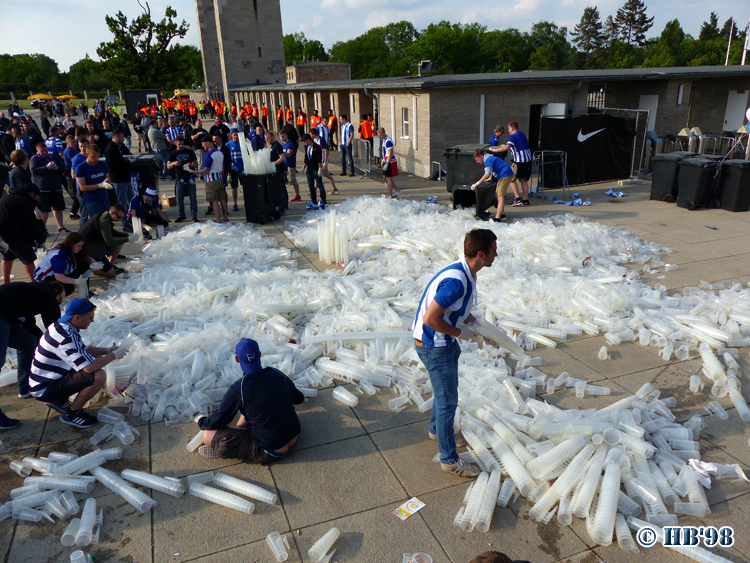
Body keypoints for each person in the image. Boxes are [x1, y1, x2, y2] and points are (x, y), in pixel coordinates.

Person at [412, 228, 497, 477]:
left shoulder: (467, 273)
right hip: (433, 345)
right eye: (494, 250)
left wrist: (477, 327)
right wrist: (460, 334)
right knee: (448, 400)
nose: (497, 254)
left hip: (443, 342)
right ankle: (448, 459)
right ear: (481, 254)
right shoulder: (456, 281)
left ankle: (437, 430)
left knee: (445, 393)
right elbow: (430, 319)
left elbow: (458, 308)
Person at [194, 338, 303, 463]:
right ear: (260, 355)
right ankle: (238, 432)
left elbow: (219, 419)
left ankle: (232, 447)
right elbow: (299, 399)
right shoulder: (277, 373)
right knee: (253, 405)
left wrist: (201, 421)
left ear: (237, 360)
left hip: (270, 451)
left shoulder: (239, 388)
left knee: (207, 435)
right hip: (294, 437)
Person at [30, 298, 129, 428]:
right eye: (89, 318)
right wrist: (114, 355)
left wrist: (108, 350)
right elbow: (89, 368)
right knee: (99, 376)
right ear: (76, 317)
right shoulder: (65, 337)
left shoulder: (63, 326)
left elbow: (83, 349)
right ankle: (73, 414)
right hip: (44, 388)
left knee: (96, 358)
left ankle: (59, 399)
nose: (92, 321)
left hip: (47, 379)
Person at [0, 280, 64, 400]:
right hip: (2, 312)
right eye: (59, 299)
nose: (58, 303)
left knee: (28, 343)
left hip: (8, 314)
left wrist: (43, 342)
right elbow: (54, 327)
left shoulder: (32, 295)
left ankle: (25, 388)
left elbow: (30, 327)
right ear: (56, 291)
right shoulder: (47, 294)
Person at [0, 183, 46, 284]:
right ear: (32, 193)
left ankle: (6, 282)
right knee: (28, 258)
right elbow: (30, 223)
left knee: (8, 256)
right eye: (36, 197)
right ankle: (35, 282)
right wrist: (39, 240)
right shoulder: (25, 201)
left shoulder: (6, 197)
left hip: (2, 234)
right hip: (15, 234)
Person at [34, 232, 101, 295]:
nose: (80, 248)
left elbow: (87, 258)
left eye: (82, 246)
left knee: (84, 266)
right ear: (71, 244)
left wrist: (94, 263)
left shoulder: (72, 250)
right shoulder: (58, 256)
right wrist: (76, 281)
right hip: (46, 278)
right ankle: (55, 298)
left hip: (62, 272)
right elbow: (58, 276)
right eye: (78, 246)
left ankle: (86, 292)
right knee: (68, 288)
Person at [79, 204, 136, 278]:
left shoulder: (104, 216)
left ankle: (110, 264)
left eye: (121, 218)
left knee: (119, 240)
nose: (119, 219)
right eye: (118, 217)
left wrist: (127, 235)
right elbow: (110, 243)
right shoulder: (104, 221)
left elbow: (113, 232)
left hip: (94, 246)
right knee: (111, 273)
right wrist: (128, 239)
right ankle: (85, 268)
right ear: (112, 213)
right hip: (90, 250)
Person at [30, 142, 68, 233]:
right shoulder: (34, 159)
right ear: (37, 151)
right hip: (43, 190)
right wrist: (47, 167)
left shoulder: (53, 158)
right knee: (44, 211)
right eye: (42, 151)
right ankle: (43, 230)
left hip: (56, 188)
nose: (45, 152)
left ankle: (60, 227)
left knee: (58, 208)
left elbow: (64, 168)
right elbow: (34, 171)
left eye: (46, 150)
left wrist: (57, 168)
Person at [492, 121, 532, 207]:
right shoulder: (522, 134)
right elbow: (517, 146)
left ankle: (518, 199)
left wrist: (495, 150)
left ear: (512, 128)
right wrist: (505, 145)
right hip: (527, 160)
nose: (508, 131)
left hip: (518, 161)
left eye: (509, 129)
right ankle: (526, 200)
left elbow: (506, 148)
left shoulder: (513, 136)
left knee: (511, 179)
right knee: (523, 180)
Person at [190, 135, 228, 222]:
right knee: (222, 198)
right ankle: (225, 217)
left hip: (211, 180)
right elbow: (222, 166)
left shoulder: (209, 155)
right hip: (219, 178)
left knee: (214, 200)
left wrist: (195, 172)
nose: (202, 146)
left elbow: (206, 170)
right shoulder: (220, 153)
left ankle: (218, 220)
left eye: (203, 144)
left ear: (207, 143)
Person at [471, 149, 514, 222]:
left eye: (478, 160)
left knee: (501, 196)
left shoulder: (488, 160)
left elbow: (486, 174)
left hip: (505, 174)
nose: (477, 162)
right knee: (497, 194)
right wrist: (491, 177)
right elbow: (492, 169)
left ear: (481, 156)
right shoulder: (489, 158)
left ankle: (498, 217)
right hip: (504, 174)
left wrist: (477, 183)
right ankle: (502, 214)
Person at [105, 127, 132, 229]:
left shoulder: (117, 148)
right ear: (116, 137)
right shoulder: (111, 149)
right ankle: (125, 223)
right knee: (122, 203)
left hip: (125, 179)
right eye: (121, 137)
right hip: (119, 180)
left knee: (132, 201)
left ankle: (132, 220)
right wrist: (129, 162)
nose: (123, 139)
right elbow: (115, 166)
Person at [75, 144, 113, 219]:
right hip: (92, 200)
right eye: (93, 157)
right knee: (97, 221)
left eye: (98, 156)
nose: (96, 159)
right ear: (87, 155)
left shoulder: (102, 164)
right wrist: (100, 185)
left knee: (107, 220)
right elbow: (82, 187)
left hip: (104, 198)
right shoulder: (80, 168)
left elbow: (108, 178)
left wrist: (107, 182)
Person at [167, 136, 199, 223]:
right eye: (179, 144)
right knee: (179, 198)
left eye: (182, 144)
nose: (180, 146)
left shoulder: (189, 152)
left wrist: (191, 165)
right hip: (179, 177)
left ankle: (194, 216)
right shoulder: (172, 153)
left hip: (190, 177)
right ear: (176, 143)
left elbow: (196, 163)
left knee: (193, 198)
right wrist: (174, 163)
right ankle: (181, 215)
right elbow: (168, 166)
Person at [302, 133, 326, 210]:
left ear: (308, 140)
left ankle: (323, 199)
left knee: (319, 184)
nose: (304, 142)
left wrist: (320, 168)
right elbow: (306, 157)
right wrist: (304, 167)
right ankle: (313, 199)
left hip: (316, 168)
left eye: (305, 141)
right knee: (311, 186)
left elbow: (319, 158)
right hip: (309, 168)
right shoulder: (306, 147)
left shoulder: (317, 147)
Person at [311, 128, 338, 195]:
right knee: (321, 175)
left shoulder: (321, 140)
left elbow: (325, 151)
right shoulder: (314, 140)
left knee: (325, 175)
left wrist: (325, 161)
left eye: (311, 134)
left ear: (313, 134)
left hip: (322, 160)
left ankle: (334, 188)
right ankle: (314, 190)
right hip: (318, 160)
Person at [377, 127, 401, 198]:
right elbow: (385, 153)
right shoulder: (384, 140)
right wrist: (383, 160)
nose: (379, 137)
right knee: (385, 177)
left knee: (389, 178)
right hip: (386, 160)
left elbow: (390, 154)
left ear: (384, 133)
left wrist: (387, 164)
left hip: (390, 161)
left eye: (380, 135)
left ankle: (390, 195)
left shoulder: (388, 141)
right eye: (379, 135)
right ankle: (397, 189)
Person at [62, 135, 81, 220]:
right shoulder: (68, 151)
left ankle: (74, 212)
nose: (74, 143)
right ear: (67, 143)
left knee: (77, 196)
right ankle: (73, 213)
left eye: (75, 142)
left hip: (72, 174)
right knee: (76, 196)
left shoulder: (73, 149)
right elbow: (74, 160)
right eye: (72, 142)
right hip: (70, 176)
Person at [279, 129, 301, 202]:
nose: (282, 138)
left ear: (286, 136)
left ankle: (298, 195)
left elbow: (289, 154)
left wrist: (280, 154)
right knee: (285, 181)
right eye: (281, 137)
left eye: (283, 136)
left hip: (290, 165)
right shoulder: (282, 144)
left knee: (293, 180)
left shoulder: (290, 144)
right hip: (284, 165)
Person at [225, 129, 244, 212]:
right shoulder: (228, 145)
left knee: (245, 186)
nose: (236, 136)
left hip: (242, 168)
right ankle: (235, 203)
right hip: (233, 169)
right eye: (234, 134)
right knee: (234, 187)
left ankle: (246, 201)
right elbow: (225, 156)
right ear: (231, 135)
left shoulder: (243, 144)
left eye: (237, 134)